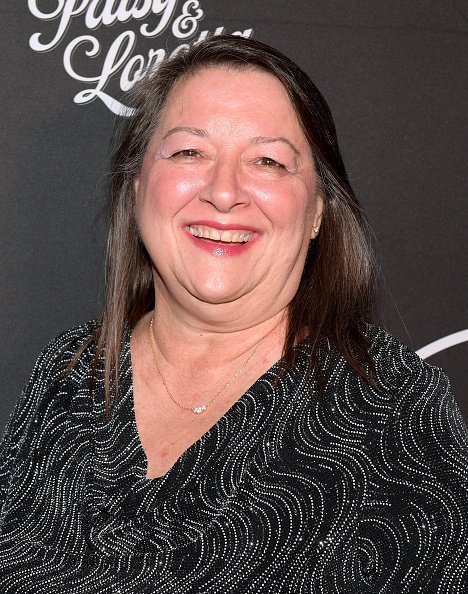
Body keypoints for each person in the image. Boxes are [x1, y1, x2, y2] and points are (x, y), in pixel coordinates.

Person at [0, 35, 467, 593]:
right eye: (189, 152)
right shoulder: (67, 374)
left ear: (318, 210)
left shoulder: (395, 410)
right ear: (137, 186)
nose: (224, 193)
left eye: (268, 161)